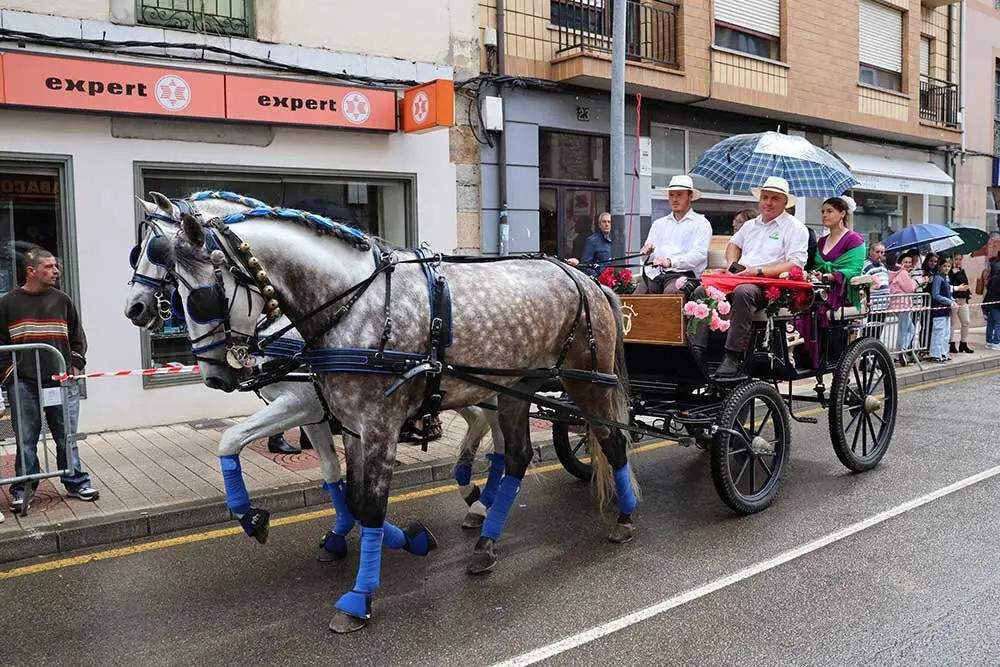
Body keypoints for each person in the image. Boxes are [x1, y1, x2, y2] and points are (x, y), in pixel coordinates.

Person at [0, 248, 99, 514]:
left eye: (56, 266)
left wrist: (75, 364)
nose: (56, 270)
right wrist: (9, 375)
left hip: (60, 380)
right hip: (24, 382)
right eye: (49, 266)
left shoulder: (62, 300)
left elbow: (78, 338)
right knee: (26, 438)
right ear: (31, 271)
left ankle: (76, 481)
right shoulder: (7, 303)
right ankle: (23, 489)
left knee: (67, 436)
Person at [690, 176, 810, 377]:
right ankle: (697, 351)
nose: (768, 203)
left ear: (785, 202)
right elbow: (733, 245)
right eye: (764, 197)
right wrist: (731, 264)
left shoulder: (795, 228)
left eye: (774, 198)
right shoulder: (750, 225)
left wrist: (758, 271)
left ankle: (732, 356)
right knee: (702, 290)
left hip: (770, 285)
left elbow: (795, 263)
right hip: (741, 277)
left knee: (743, 293)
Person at [795, 196, 866, 367]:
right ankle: (803, 355)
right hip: (820, 289)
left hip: (841, 292)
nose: (824, 215)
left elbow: (854, 268)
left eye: (829, 211)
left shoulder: (853, 239)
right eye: (822, 212)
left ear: (842, 214)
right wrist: (816, 274)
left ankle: (820, 355)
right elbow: (816, 266)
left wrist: (833, 276)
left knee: (814, 308)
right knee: (797, 306)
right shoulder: (821, 241)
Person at [637, 174, 712, 294]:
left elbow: (699, 255)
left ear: (690, 196)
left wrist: (671, 261)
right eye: (671, 195)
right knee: (634, 302)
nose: (674, 199)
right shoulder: (658, 224)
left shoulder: (701, 223)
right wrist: (646, 254)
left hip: (685, 275)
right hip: (655, 275)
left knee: (670, 296)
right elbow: (648, 257)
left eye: (679, 195)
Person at [889, 254, 920, 366]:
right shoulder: (902, 273)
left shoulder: (895, 272)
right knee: (904, 330)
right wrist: (918, 281)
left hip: (898, 304)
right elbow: (910, 288)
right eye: (905, 262)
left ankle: (902, 350)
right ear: (900, 262)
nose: (907, 264)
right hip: (903, 304)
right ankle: (900, 352)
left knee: (910, 329)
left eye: (910, 262)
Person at [928, 255, 957, 362]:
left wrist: (952, 300)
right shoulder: (938, 278)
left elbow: (948, 293)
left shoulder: (946, 278)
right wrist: (949, 301)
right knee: (938, 332)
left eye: (949, 266)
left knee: (946, 333)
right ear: (940, 266)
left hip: (946, 310)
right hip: (938, 309)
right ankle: (936, 353)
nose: (947, 268)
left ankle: (944, 352)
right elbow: (936, 294)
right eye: (944, 266)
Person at [566, 212, 612, 277]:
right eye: (604, 222)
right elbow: (585, 265)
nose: (607, 224)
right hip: (600, 282)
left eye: (609, 222)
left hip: (614, 280)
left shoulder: (616, 241)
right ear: (599, 225)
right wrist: (598, 277)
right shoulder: (592, 240)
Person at [947, 253, 973, 354]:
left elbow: (965, 283)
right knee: (953, 323)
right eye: (956, 259)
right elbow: (950, 285)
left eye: (960, 259)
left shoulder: (962, 270)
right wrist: (954, 273)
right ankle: (951, 343)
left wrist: (968, 293)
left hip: (963, 299)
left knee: (966, 321)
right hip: (955, 299)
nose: (958, 261)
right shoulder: (950, 272)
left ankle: (963, 343)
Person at [984, 254, 1000, 351]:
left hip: (989, 302)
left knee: (990, 322)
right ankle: (996, 342)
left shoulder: (993, 277)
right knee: (998, 322)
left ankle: (989, 341)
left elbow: (988, 288)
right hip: (997, 303)